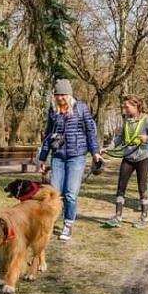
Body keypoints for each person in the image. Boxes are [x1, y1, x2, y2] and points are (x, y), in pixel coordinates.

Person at [38, 79, 102, 241]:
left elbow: (90, 132)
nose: (60, 98)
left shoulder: (81, 108)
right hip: (58, 156)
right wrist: (42, 158)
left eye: (63, 95)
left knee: (70, 193)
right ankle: (49, 222)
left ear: (69, 95)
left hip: (77, 156)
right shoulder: (53, 111)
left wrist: (95, 152)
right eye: (57, 95)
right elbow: (47, 135)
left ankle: (68, 223)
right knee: (54, 193)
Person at [103, 95, 148, 228]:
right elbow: (121, 137)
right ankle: (117, 217)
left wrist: (147, 138)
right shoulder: (126, 120)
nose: (125, 110)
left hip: (142, 158)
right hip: (128, 158)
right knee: (121, 187)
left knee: (142, 188)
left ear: (135, 106)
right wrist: (110, 147)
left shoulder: (146, 119)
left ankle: (144, 218)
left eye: (127, 107)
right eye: (124, 107)